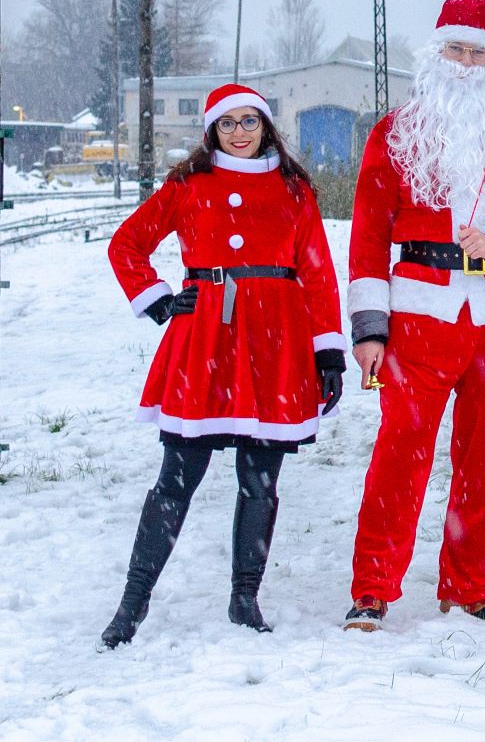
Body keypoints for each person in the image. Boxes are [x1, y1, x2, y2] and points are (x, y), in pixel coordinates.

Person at [343, 0, 485, 630]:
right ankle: (373, 587)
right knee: (399, 452)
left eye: (478, 54)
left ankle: (469, 586)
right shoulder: (395, 133)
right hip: (419, 319)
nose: (466, 64)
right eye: (456, 51)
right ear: (434, 54)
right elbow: (366, 234)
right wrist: (369, 326)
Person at [101, 83, 344, 647]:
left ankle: (245, 599)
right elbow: (126, 244)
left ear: (265, 126)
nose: (240, 132)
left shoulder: (293, 189)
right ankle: (131, 605)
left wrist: (327, 350)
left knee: (260, 485)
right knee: (175, 482)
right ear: (212, 130)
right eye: (228, 123)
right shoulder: (189, 184)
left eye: (249, 121)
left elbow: (318, 272)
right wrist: (158, 298)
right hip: (205, 343)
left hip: (276, 346)